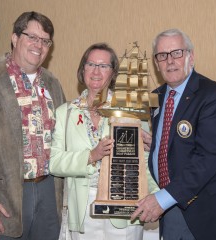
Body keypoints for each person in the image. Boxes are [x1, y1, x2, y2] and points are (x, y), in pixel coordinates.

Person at [131, 28, 216, 240]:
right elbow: (179, 141)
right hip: (171, 211)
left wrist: (162, 198)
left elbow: (208, 157)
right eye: (162, 55)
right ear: (156, 63)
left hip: (210, 211)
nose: (170, 61)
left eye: (177, 53)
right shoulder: (156, 98)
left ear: (191, 56)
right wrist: (157, 144)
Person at [0, 11, 65, 240]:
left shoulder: (53, 84)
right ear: (15, 38)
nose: (39, 45)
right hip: (2, 199)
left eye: (45, 41)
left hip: (48, 192)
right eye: (32, 37)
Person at [50, 43, 157, 240]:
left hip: (125, 208)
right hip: (83, 210)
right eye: (91, 64)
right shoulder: (65, 113)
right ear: (83, 70)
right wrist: (91, 156)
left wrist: (157, 196)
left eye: (104, 66)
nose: (96, 71)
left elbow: (147, 162)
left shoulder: (131, 111)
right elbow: (54, 162)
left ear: (114, 72)